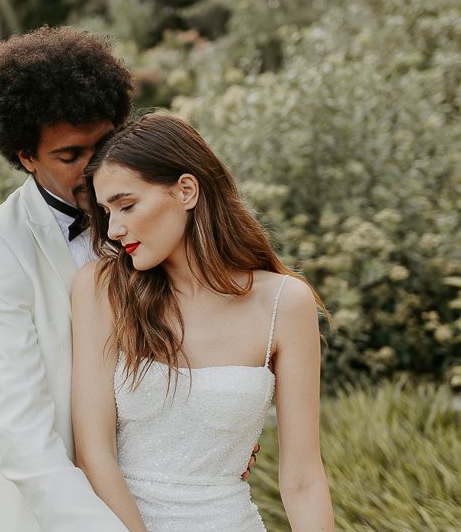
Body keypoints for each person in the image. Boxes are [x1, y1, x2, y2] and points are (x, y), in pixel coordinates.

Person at [71, 113, 335, 531]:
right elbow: (94, 454)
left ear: (187, 190)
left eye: (127, 205)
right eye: (107, 212)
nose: (115, 228)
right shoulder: (102, 288)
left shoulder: (285, 303)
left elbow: (303, 479)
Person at [0, 26, 133, 532]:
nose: (96, 169)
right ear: (26, 157)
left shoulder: (154, 220)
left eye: (104, 145)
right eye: (71, 156)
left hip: (157, 492)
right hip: (47, 513)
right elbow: (22, 434)